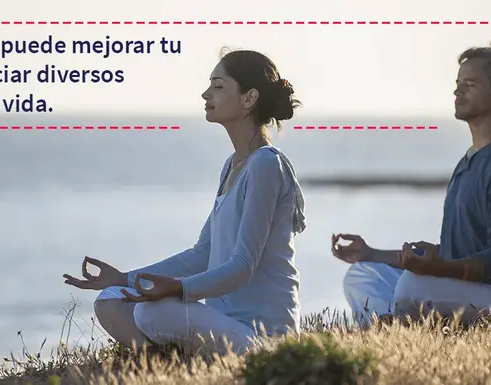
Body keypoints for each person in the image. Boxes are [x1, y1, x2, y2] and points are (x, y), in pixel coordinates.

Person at [62, 48, 307, 355]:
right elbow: (202, 254)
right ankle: (161, 363)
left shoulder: (267, 165)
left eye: (218, 86)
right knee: (111, 299)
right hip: (224, 324)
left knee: (152, 312)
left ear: (248, 98)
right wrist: (126, 278)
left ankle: (174, 359)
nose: (206, 94)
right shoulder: (233, 165)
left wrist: (178, 289)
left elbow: (243, 266)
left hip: (265, 338)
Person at [333, 43, 491, 327]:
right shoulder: (469, 162)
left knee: (412, 286)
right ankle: (386, 327)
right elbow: (454, 251)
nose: (458, 92)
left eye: (470, 84)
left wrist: (436, 268)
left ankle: (395, 326)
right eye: (458, 84)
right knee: (364, 274)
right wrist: (371, 253)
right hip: (464, 288)